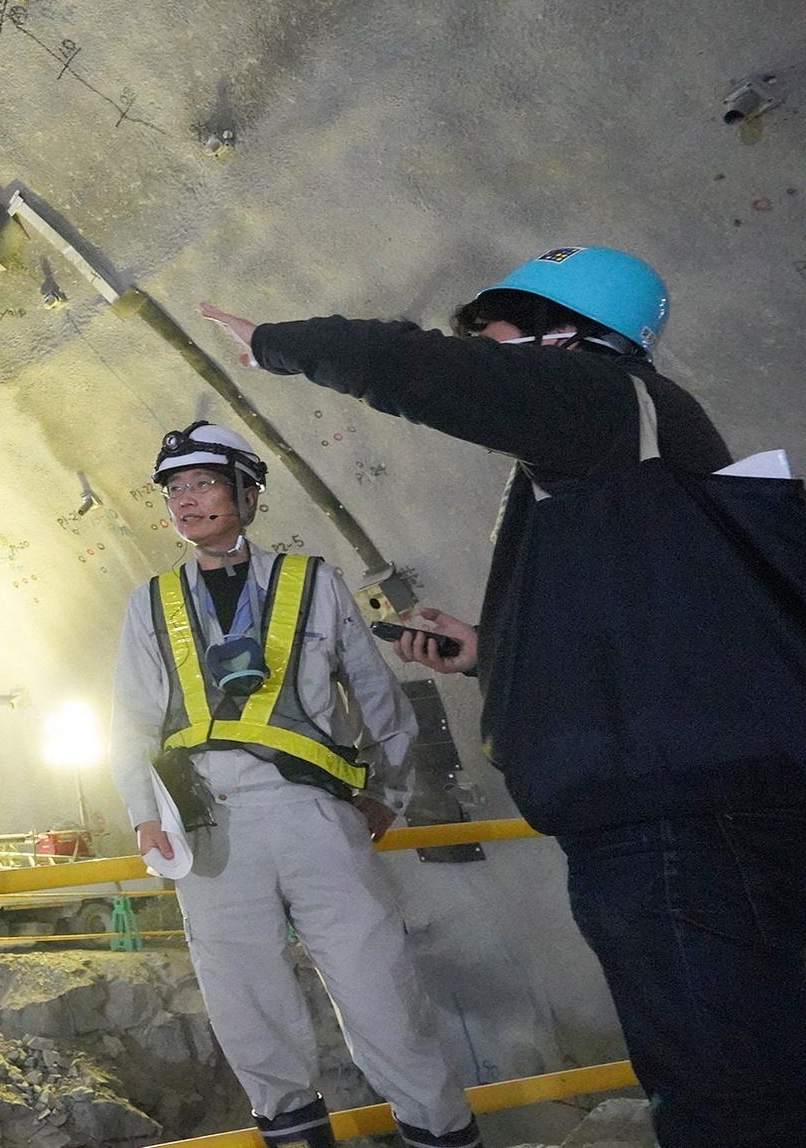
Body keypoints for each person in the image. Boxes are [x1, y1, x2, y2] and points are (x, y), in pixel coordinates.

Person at [201, 246, 806, 1148]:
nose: (485, 349)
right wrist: (490, 652)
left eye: (499, 333)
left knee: (728, 1099)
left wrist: (280, 344)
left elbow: (431, 372)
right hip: (678, 813)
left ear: (567, 335)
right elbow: (647, 638)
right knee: (732, 1073)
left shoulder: (605, 400)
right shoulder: (619, 471)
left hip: (680, 826)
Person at [111, 422, 481, 1148]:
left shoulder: (314, 582)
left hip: (315, 814)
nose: (186, 500)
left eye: (204, 483)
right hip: (209, 827)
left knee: (383, 995)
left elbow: (379, 699)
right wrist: (140, 811)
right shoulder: (148, 602)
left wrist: (389, 794)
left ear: (248, 494)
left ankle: (440, 1130)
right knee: (250, 1012)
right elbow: (129, 718)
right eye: (174, 488)